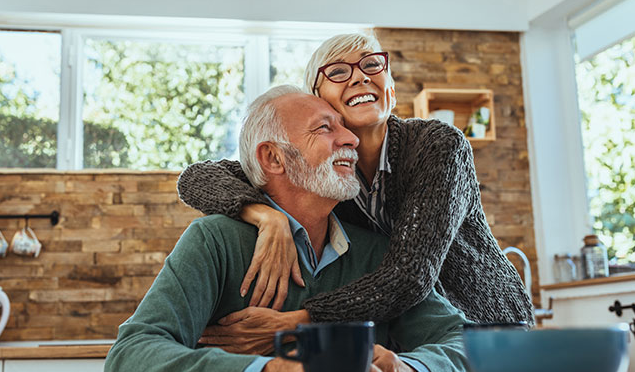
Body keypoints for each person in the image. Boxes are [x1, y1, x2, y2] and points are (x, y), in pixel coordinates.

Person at [104, 85, 475, 372]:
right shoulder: (214, 241)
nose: (351, 139)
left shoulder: (377, 253)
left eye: (344, 128)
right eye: (325, 129)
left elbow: (466, 344)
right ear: (273, 158)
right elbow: (130, 358)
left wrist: (408, 368)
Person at [177, 33, 533, 354]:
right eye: (338, 72)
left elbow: (410, 276)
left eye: (372, 64)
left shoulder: (438, 146)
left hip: (484, 327)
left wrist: (297, 321)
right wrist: (265, 215)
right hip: (403, 343)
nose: (360, 76)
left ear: (390, 88)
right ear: (318, 100)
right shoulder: (321, 174)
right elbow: (198, 177)